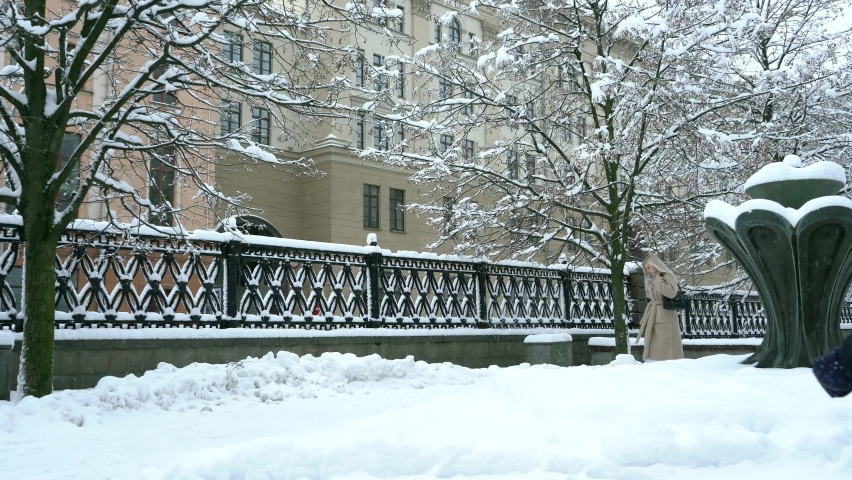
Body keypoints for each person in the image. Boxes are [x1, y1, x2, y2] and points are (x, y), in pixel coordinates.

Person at [635, 254, 684, 362]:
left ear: (655, 264)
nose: (648, 271)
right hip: (655, 313)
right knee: (654, 342)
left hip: (665, 314)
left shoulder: (667, 276)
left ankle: (665, 365)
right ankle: (653, 363)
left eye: (649, 267)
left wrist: (658, 280)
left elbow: (671, 293)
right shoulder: (653, 278)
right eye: (646, 268)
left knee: (664, 344)